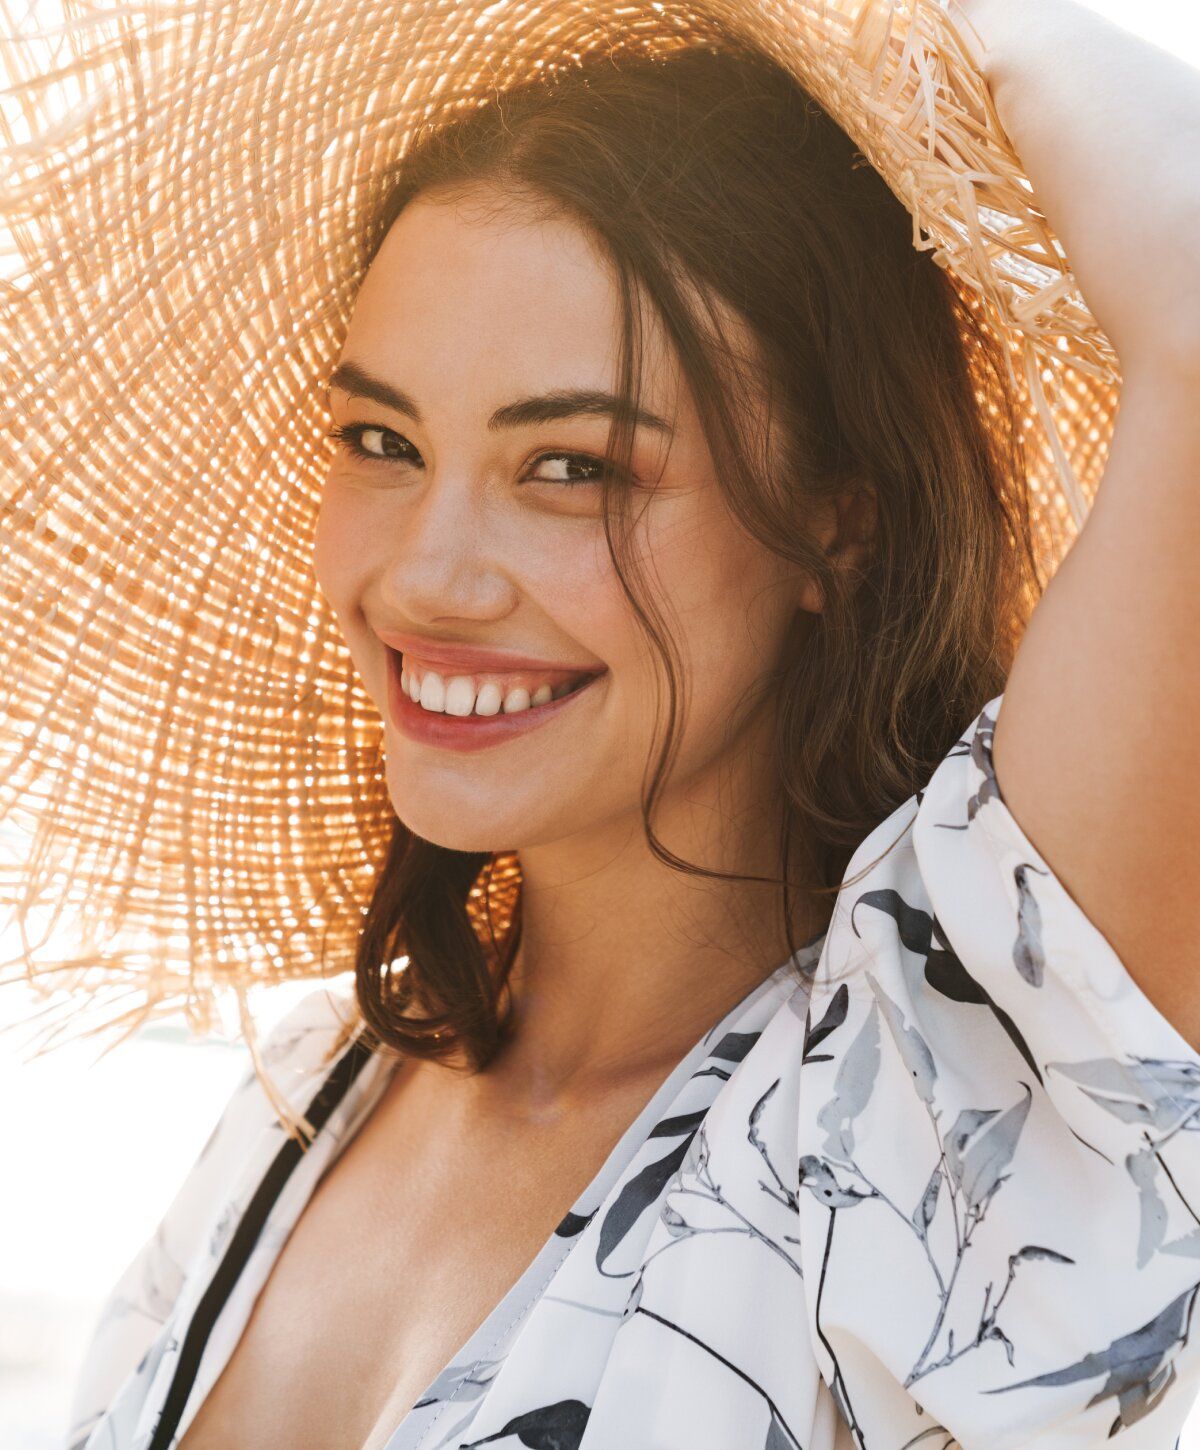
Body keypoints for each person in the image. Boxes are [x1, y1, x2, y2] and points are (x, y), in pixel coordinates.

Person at [9, 0, 1194, 1444]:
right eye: (383, 442)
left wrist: (930, 35)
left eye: (569, 465)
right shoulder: (308, 1100)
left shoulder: (940, 1106)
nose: (425, 576)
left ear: (838, 524)